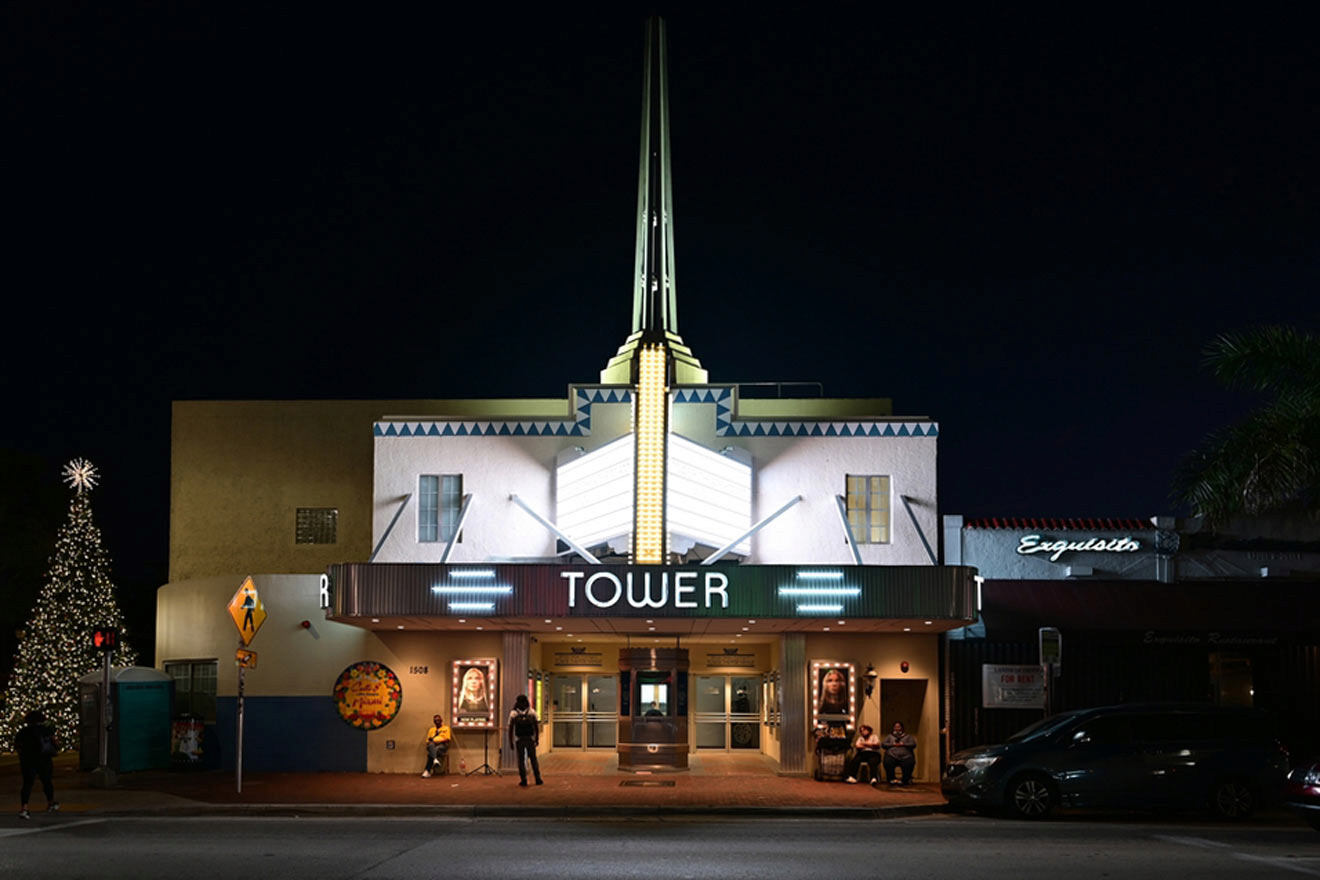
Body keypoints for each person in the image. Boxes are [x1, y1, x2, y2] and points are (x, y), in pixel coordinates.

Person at [15, 709, 59, 819]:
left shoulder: (23, 732)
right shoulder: (46, 730)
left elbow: (17, 746)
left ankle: (24, 807)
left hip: (28, 760)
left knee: (27, 784)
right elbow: (55, 743)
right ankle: (51, 802)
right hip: (44, 759)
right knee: (47, 781)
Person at [507, 694, 542, 787]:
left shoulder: (513, 713)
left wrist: (510, 742)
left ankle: (524, 780)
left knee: (521, 760)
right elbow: (536, 726)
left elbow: (510, 728)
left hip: (519, 739)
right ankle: (538, 779)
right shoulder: (531, 711)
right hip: (530, 739)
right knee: (533, 759)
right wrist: (537, 738)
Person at [421, 713, 451, 777]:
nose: (437, 721)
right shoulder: (431, 730)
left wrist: (438, 741)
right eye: (435, 720)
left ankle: (427, 771)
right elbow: (428, 741)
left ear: (441, 720)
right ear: (434, 722)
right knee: (431, 746)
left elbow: (448, 739)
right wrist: (433, 742)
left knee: (431, 753)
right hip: (432, 745)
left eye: (438, 720)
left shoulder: (446, 728)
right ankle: (435, 760)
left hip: (442, 746)